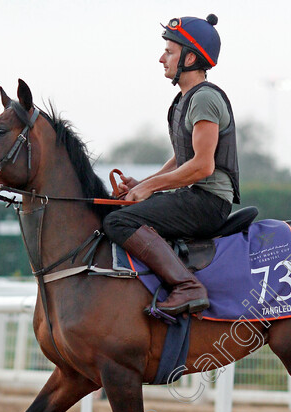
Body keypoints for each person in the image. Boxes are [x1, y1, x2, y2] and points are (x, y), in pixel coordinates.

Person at [103, 14, 240, 317]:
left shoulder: (204, 99)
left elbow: (202, 166)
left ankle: (187, 287)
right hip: (196, 198)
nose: (161, 58)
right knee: (119, 210)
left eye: (169, 51)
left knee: (118, 222)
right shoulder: (185, 100)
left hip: (209, 202)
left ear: (190, 57)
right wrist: (141, 185)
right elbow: (181, 159)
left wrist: (150, 188)